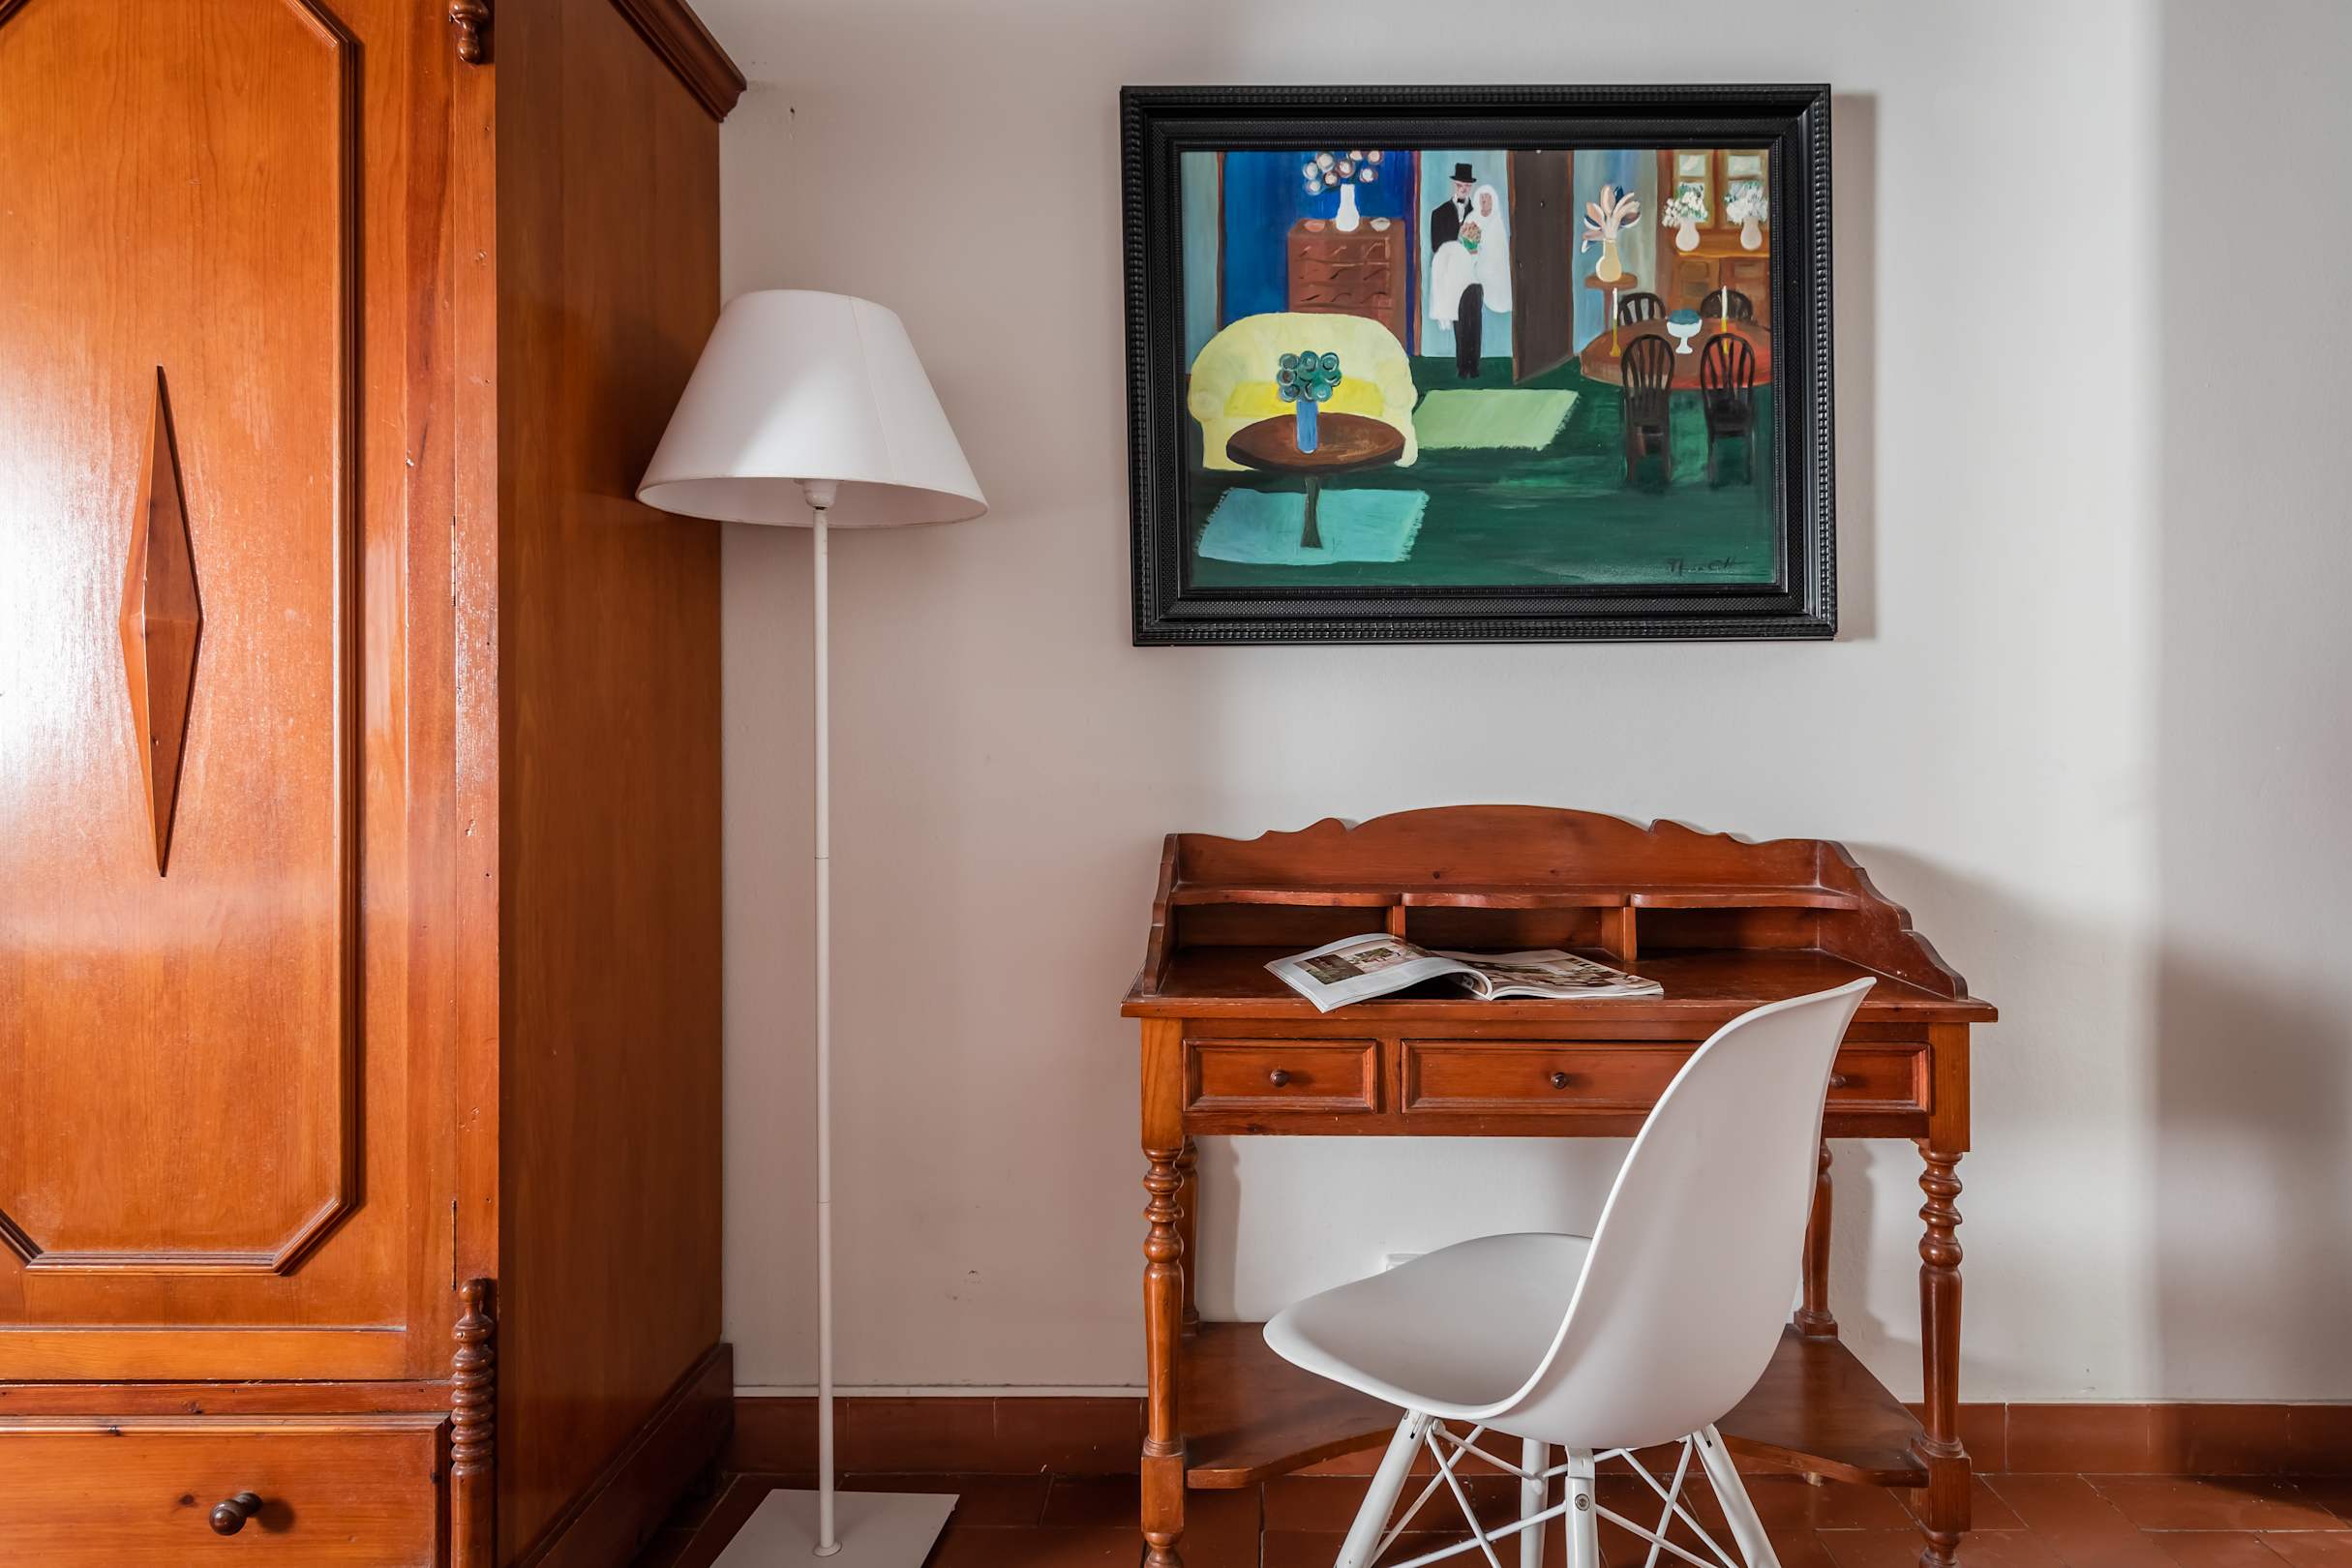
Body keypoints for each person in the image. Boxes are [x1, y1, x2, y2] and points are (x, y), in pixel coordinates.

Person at [1428, 162, 1485, 377]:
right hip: (1452, 275)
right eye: (1460, 185)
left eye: (1467, 186)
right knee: (1458, 320)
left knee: (1475, 319)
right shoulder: (1439, 213)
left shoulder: (1478, 213)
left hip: (1474, 276)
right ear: (1454, 185)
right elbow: (1436, 245)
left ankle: (1474, 366)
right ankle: (1462, 366)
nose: (1463, 189)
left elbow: (1484, 244)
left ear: (1471, 187)